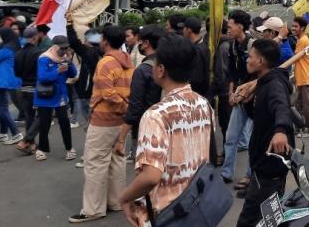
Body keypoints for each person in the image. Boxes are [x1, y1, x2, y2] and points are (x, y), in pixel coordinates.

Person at [118, 35, 212, 226]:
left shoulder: (156, 115)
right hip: (197, 205)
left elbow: (151, 176)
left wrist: (125, 197)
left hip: (166, 213)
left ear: (161, 70)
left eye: (155, 63)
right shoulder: (204, 104)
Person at [69, 25, 134, 223]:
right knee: (117, 161)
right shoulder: (127, 60)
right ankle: (115, 202)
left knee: (95, 163)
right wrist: (127, 108)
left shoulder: (105, 63)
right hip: (121, 122)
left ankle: (93, 209)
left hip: (104, 120)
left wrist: (123, 106)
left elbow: (107, 93)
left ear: (105, 40)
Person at [235, 39, 295, 227]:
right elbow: (261, 115)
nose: (247, 59)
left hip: (269, 168)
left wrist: (281, 131)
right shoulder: (263, 82)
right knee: (270, 219)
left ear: (260, 61)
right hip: (263, 165)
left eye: (250, 56)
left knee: (251, 219)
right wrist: (246, 103)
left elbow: (281, 107)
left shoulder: (274, 84)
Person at [114, 25, 166, 164]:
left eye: (140, 42)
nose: (139, 45)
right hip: (167, 125)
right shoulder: (168, 65)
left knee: (145, 169)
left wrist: (121, 138)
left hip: (147, 128)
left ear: (147, 43)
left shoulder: (143, 70)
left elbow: (135, 108)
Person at [221, 10, 254, 185]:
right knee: (231, 137)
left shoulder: (253, 45)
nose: (228, 29)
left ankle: (249, 176)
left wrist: (247, 91)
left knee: (254, 140)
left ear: (240, 26)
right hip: (239, 98)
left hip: (253, 99)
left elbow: (258, 73)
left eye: (230, 26)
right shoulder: (233, 45)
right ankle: (226, 173)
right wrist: (231, 93)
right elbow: (232, 73)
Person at [34, 35, 78, 162]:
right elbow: (42, 77)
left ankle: (69, 148)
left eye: (66, 48)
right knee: (45, 122)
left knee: (64, 121)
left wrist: (69, 63)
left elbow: (73, 74)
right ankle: (41, 149)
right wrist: (57, 71)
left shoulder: (65, 58)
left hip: (61, 95)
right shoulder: (44, 58)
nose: (64, 51)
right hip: (46, 95)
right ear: (55, 46)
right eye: (62, 48)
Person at [0, 27, 23, 145]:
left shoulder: (7, 48)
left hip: (3, 79)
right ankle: (3, 133)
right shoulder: (12, 45)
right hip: (5, 79)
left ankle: (16, 133)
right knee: (2, 106)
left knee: (2, 108)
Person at [67, 26, 102, 135]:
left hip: (89, 92)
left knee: (92, 123)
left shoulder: (89, 52)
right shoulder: (102, 52)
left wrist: (69, 25)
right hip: (98, 91)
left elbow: (73, 42)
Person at [14, 27, 43, 155]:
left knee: (29, 117)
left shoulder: (18, 53)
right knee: (43, 115)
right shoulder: (38, 53)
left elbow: (17, 73)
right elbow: (41, 72)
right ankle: (26, 140)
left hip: (23, 87)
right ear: (35, 37)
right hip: (35, 87)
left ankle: (31, 144)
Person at [291, 16, 309, 136]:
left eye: (296, 26)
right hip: (302, 77)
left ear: (302, 28)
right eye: (293, 26)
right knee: (299, 105)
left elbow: (294, 58)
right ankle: (300, 128)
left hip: (306, 77)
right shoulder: (301, 39)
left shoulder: (303, 40)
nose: (293, 28)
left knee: (307, 104)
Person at [212, 20, 233, 142]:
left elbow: (221, 71)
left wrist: (217, 88)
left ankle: (227, 156)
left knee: (225, 124)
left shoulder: (223, 46)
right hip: (230, 89)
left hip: (225, 92)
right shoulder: (231, 43)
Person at [182, 17, 210, 97]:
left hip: (196, 95)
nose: (183, 30)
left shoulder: (197, 50)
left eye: (184, 28)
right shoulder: (203, 45)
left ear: (189, 30)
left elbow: (196, 78)